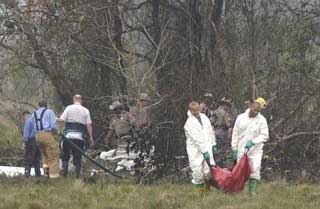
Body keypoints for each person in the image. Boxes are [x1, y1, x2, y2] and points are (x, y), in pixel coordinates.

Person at [231, 97, 268, 196]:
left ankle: (252, 192)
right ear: (251, 105)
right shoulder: (240, 117)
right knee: (240, 172)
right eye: (254, 109)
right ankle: (237, 192)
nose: (255, 112)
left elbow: (265, 135)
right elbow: (235, 134)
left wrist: (253, 141)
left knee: (255, 169)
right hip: (241, 149)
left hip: (255, 150)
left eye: (257, 111)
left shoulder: (262, 120)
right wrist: (234, 149)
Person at [59, 95, 94, 178]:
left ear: (73, 100)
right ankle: (77, 176)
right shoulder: (86, 110)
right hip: (79, 138)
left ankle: (64, 174)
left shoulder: (68, 108)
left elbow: (61, 120)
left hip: (68, 137)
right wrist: (91, 138)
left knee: (65, 156)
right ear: (81, 100)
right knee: (77, 157)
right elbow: (89, 125)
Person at [184, 101, 217, 189]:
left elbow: (210, 131)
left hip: (207, 147)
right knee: (197, 172)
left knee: (208, 171)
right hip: (195, 151)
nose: (196, 112)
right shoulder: (189, 123)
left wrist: (213, 144)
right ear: (190, 111)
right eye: (194, 111)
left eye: (197, 110)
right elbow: (197, 140)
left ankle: (207, 191)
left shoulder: (204, 117)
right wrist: (204, 151)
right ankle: (198, 194)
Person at [33, 99, 59, 178]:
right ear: (46, 105)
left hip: (37, 135)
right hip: (47, 134)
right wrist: (56, 133)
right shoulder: (49, 112)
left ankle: (46, 173)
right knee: (54, 153)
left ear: (39, 105)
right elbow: (53, 126)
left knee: (44, 154)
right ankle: (54, 175)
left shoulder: (34, 113)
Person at [212, 98, 233, 165]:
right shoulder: (225, 112)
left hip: (215, 130)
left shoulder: (215, 111)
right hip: (222, 131)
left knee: (216, 148)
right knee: (223, 149)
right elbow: (228, 124)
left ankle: (216, 163)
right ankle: (221, 163)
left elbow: (212, 121)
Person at [22, 110, 41, 177]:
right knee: (37, 159)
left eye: (24, 117)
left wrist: (24, 142)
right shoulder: (38, 120)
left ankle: (27, 174)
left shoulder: (28, 121)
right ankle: (38, 175)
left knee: (28, 158)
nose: (24, 119)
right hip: (39, 141)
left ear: (26, 115)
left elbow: (26, 132)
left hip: (31, 141)